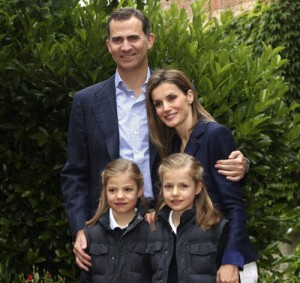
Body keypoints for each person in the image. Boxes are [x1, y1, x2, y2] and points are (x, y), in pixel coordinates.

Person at [60, 7, 248, 274]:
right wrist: (81, 228)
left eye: (133, 38)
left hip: (168, 222)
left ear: (149, 40)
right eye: (117, 39)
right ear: (108, 46)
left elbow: (201, 141)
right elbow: (75, 173)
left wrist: (243, 165)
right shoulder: (87, 101)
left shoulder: (167, 97)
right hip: (108, 228)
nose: (126, 46)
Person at [146, 69, 258, 282]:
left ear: (189, 96)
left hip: (224, 261)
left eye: (171, 98)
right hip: (197, 262)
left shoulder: (214, 135)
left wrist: (231, 260)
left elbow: (234, 205)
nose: (166, 108)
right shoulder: (172, 144)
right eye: (158, 103)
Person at [152, 153, 231, 283]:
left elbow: (228, 274)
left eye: (183, 186)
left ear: (198, 188)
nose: (175, 193)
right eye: (168, 186)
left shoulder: (215, 226)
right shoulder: (153, 227)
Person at [82, 159, 155, 283]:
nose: (120, 196)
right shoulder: (91, 234)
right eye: (112, 190)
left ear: (140, 190)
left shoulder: (152, 232)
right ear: (105, 191)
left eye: (127, 189)